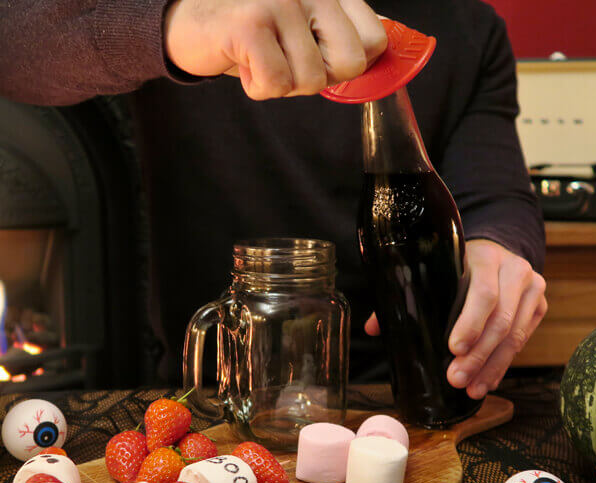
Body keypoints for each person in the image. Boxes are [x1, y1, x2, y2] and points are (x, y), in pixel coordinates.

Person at [0, 0, 547, 401]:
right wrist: (175, 23)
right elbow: (12, 39)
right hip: (209, 392)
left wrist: (501, 249)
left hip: (396, 391)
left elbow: (497, 196)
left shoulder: (472, 28)